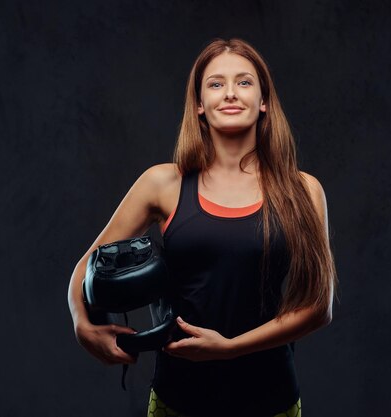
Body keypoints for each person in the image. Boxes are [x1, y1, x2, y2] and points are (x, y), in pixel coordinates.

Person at [67, 37, 337, 417]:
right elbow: (84, 269)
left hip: (270, 399)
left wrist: (229, 348)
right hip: (177, 400)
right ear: (198, 105)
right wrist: (83, 326)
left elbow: (317, 307)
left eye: (244, 82)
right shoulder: (163, 183)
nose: (230, 93)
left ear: (263, 102)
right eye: (215, 83)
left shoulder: (304, 190)